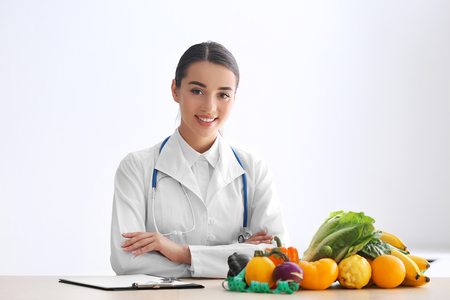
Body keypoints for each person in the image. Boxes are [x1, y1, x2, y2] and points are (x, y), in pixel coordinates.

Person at [110, 41, 290, 278]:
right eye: (197, 91)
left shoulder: (254, 170)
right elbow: (126, 262)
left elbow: (277, 255)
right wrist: (239, 257)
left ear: (234, 98)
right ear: (175, 90)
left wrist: (182, 252)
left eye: (223, 94)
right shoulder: (136, 168)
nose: (210, 107)